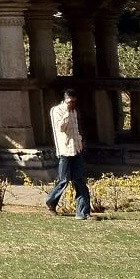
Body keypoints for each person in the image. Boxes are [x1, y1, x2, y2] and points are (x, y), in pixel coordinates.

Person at [45, 88, 91, 219]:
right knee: (64, 180)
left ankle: (82, 213)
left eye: (74, 102)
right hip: (65, 151)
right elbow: (60, 128)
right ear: (65, 99)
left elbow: (77, 130)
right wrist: (66, 112)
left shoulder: (75, 111)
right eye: (70, 101)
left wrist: (81, 143)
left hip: (77, 150)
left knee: (80, 181)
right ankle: (50, 201)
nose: (72, 104)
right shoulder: (57, 110)